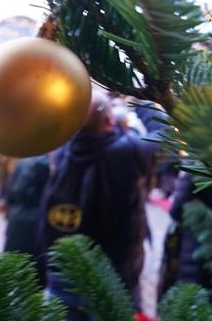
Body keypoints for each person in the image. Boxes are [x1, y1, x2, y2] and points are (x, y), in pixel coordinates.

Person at [39, 87, 156, 318]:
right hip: (113, 282)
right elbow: (164, 137)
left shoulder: (61, 151)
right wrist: (144, 100)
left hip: (62, 276)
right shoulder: (128, 152)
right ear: (110, 120)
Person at [2, 154, 49, 263]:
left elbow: (10, 193)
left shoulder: (22, 162)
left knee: (14, 261)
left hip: (16, 216)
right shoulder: (45, 163)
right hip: (35, 218)